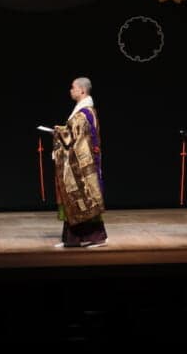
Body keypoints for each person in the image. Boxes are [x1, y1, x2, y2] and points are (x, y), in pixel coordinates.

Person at [52, 77, 108, 248]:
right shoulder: (81, 111)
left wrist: (58, 133)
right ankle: (72, 239)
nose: (71, 90)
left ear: (82, 91)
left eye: (73, 87)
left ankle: (97, 237)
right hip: (78, 163)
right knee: (75, 199)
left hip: (84, 165)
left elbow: (75, 138)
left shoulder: (85, 113)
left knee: (86, 198)